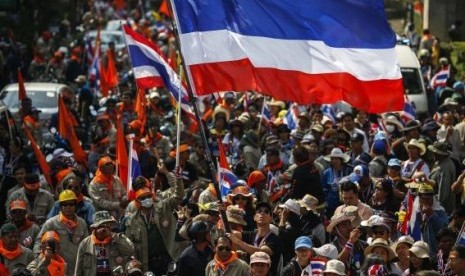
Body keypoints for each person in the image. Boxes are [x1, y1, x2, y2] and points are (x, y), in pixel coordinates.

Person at [124, 165, 184, 274]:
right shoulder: (132, 221)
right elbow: (129, 246)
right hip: (147, 263)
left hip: (168, 258)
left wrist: (178, 179)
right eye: (143, 198)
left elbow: (179, 195)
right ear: (137, 200)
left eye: (148, 196)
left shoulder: (163, 207)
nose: (147, 199)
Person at [33, 190, 89, 274]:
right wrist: (41, 260)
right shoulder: (51, 223)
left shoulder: (82, 223)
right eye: (64, 205)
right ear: (60, 206)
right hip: (56, 268)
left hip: (76, 267)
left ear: (75, 205)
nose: (68, 207)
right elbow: (39, 243)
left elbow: (87, 245)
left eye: (71, 204)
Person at [74, 211, 134, 276]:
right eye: (101, 226)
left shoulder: (116, 239)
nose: (104, 229)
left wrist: (113, 236)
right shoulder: (85, 244)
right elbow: (78, 271)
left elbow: (130, 250)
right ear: (95, 228)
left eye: (108, 225)